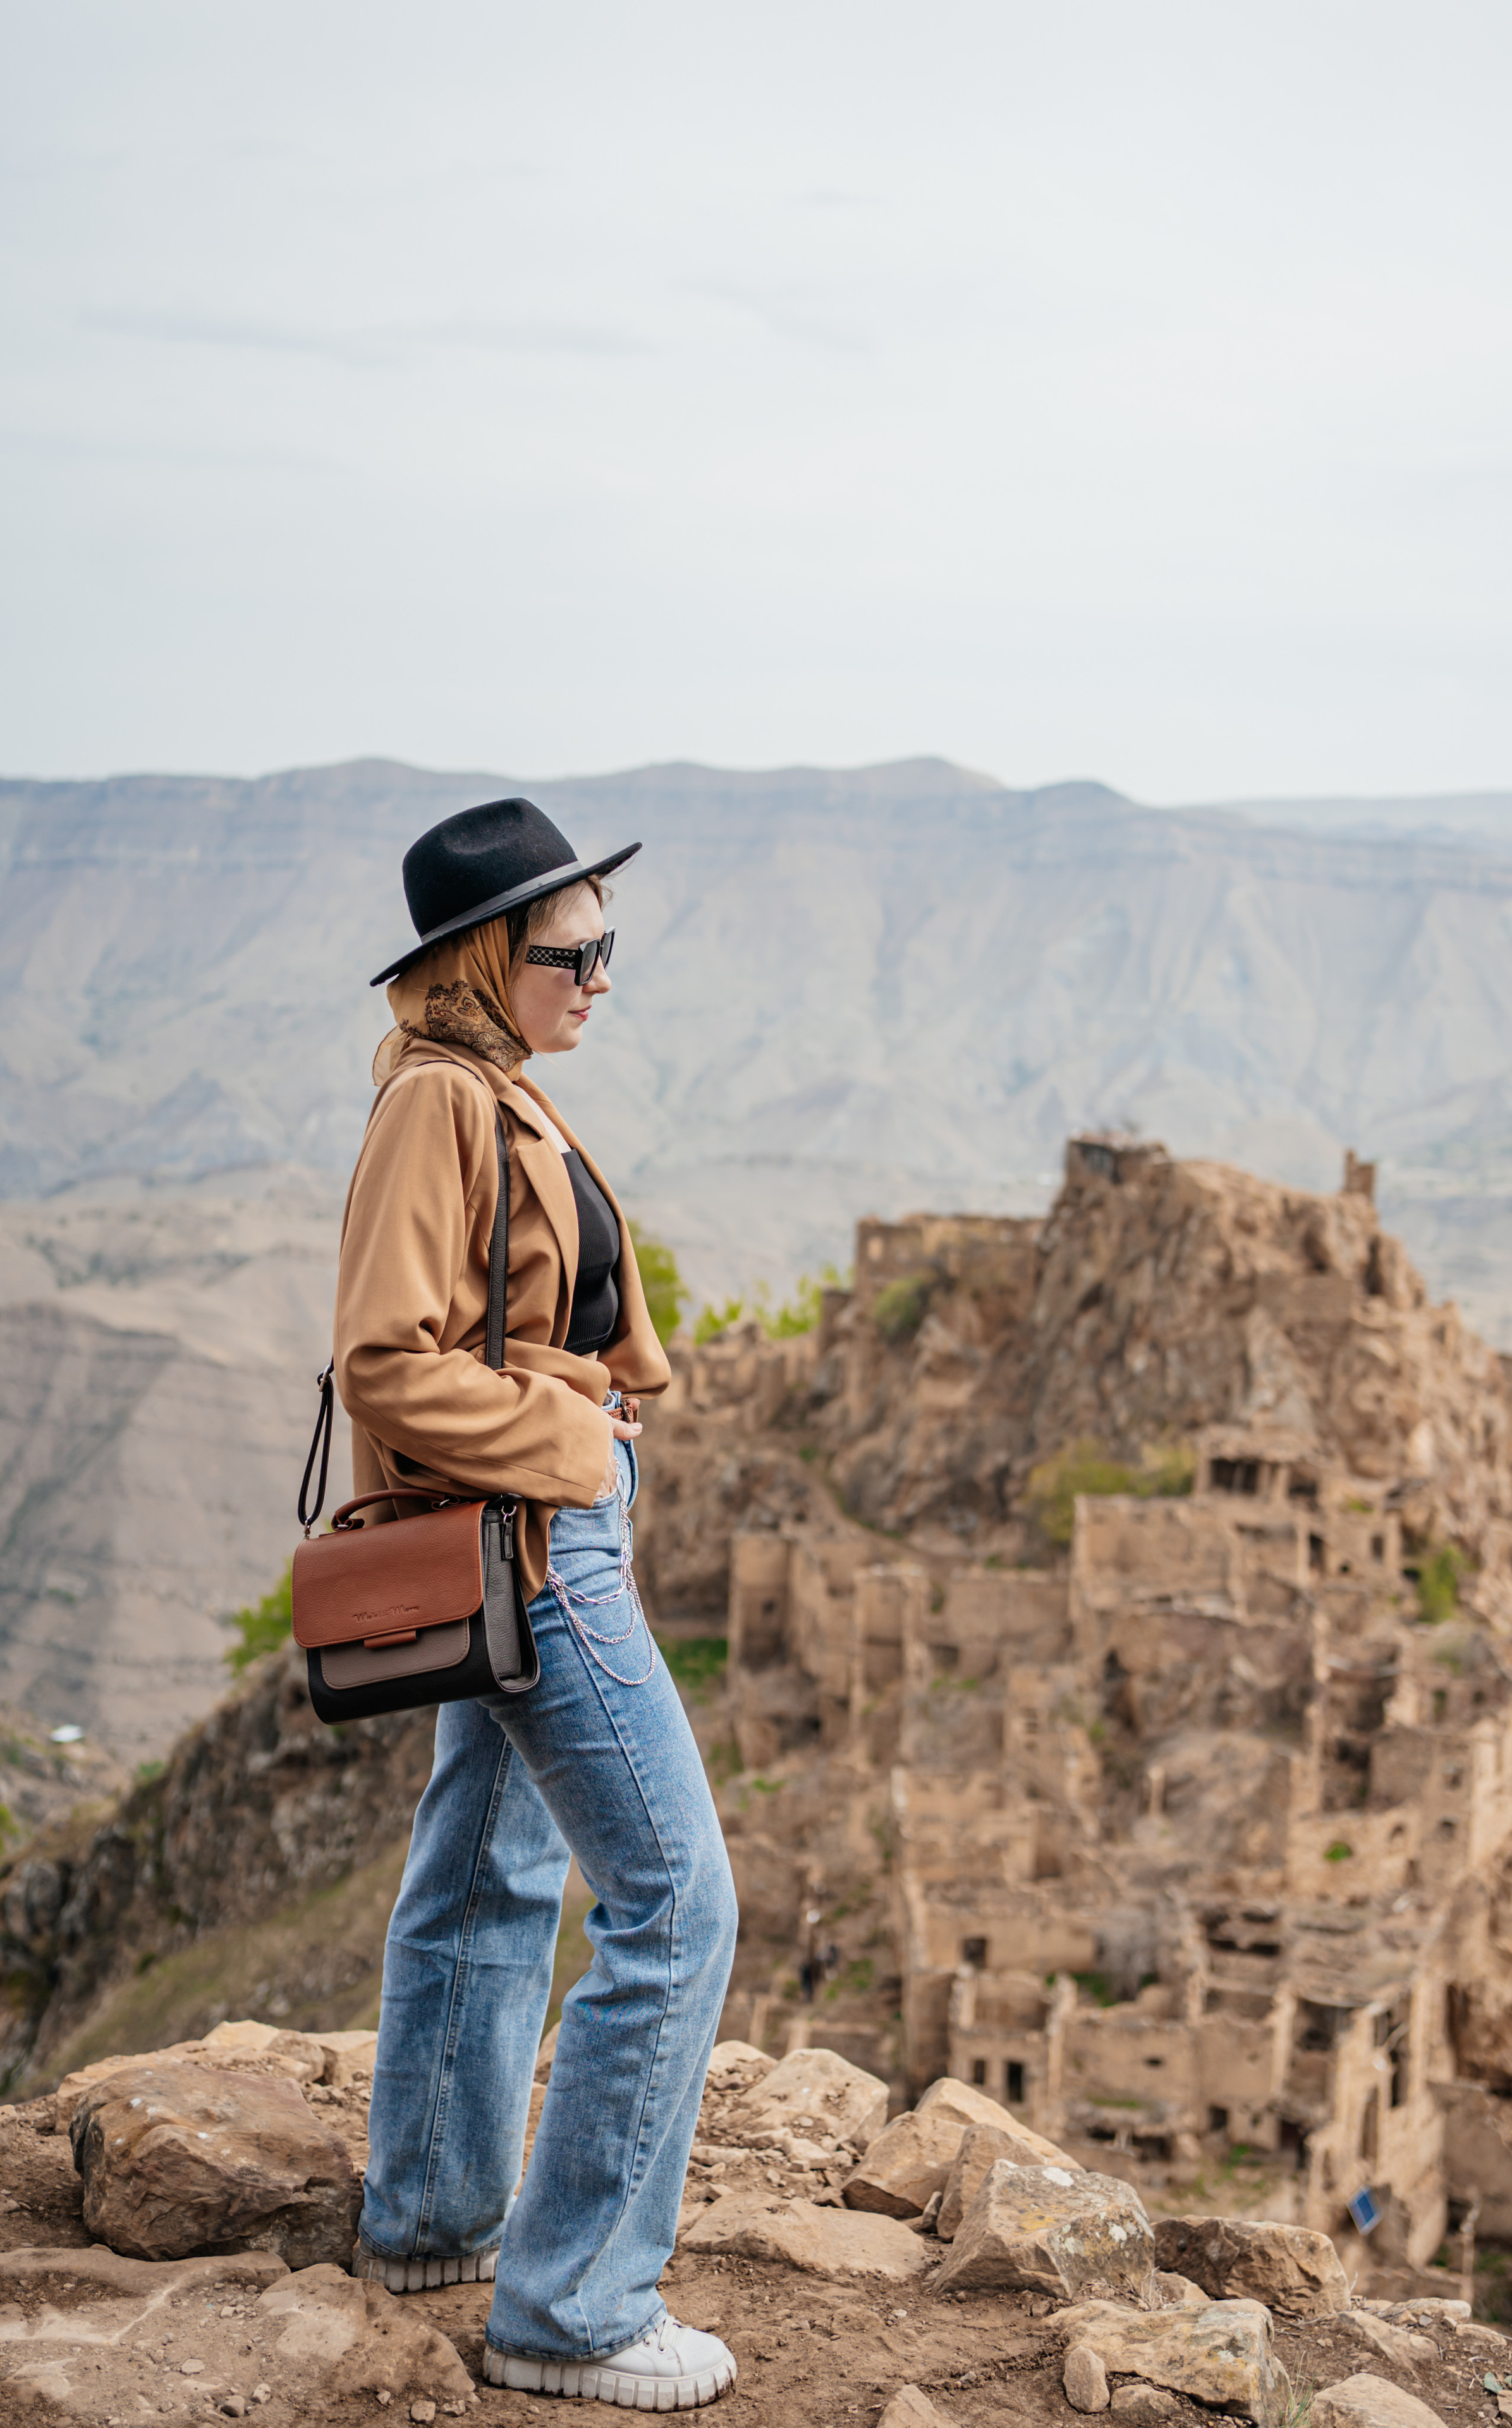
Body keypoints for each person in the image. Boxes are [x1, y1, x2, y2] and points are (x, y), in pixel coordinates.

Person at [332, 796, 740, 2409]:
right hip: (530, 1536)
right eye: (574, 951)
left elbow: (507, 1312)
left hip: (536, 1518)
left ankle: (432, 2217)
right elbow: (384, 1359)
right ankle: (571, 2313)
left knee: (489, 1866)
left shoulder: (485, 1085)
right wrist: (572, 1438)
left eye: (607, 948)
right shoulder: (437, 1104)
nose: (600, 976)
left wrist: (598, 1385)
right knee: (673, 1902)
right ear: (485, 960)